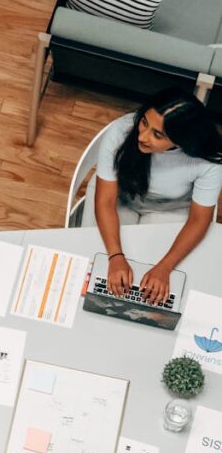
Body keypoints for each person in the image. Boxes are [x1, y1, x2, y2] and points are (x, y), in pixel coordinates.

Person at [82, 88, 222, 305]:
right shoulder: (122, 130)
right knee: (98, 265)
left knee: (156, 280)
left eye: (158, 135)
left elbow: (199, 219)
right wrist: (115, 255)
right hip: (119, 197)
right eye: (144, 122)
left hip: (170, 208)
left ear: (183, 142)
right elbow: (105, 200)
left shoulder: (208, 160)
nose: (142, 136)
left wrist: (165, 266)